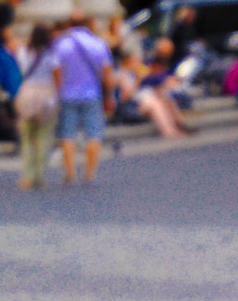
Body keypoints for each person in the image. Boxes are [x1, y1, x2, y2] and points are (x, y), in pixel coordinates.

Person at [53, 10, 115, 183]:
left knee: (67, 134)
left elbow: (56, 71)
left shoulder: (61, 44)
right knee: (94, 133)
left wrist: (59, 91)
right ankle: (89, 172)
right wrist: (109, 95)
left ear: (69, 24)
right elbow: (107, 73)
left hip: (67, 94)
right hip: (92, 94)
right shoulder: (97, 43)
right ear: (88, 23)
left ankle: (70, 171)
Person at [14, 23, 59, 190]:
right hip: (46, 93)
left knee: (27, 137)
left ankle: (28, 175)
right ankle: (40, 175)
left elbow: (21, 70)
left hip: (27, 91)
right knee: (44, 136)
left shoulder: (24, 52)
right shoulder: (51, 54)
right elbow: (57, 76)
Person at [113, 48, 190, 138]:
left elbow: (150, 86)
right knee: (155, 104)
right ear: (128, 62)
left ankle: (179, 124)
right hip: (129, 107)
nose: (139, 63)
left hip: (142, 101)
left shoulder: (136, 73)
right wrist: (138, 80)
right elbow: (124, 97)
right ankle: (168, 131)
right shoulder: (123, 75)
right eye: (136, 61)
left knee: (165, 97)